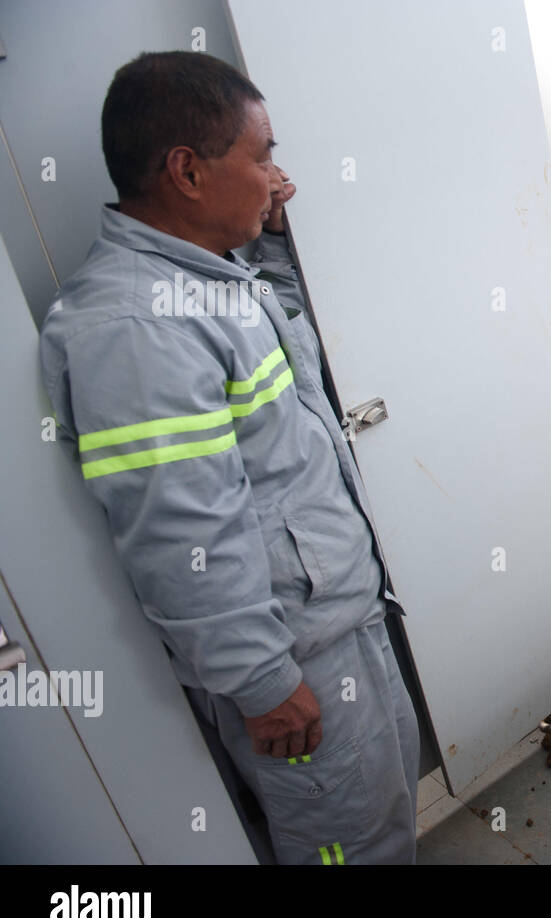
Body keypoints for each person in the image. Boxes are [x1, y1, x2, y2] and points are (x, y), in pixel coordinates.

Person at [39, 50, 420, 865]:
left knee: (381, 823)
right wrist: (261, 680)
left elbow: (287, 366)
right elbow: (179, 529)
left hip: (338, 621)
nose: (279, 174)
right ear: (187, 170)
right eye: (264, 154)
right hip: (293, 661)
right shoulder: (133, 329)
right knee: (347, 850)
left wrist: (271, 241)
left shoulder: (208, 279)